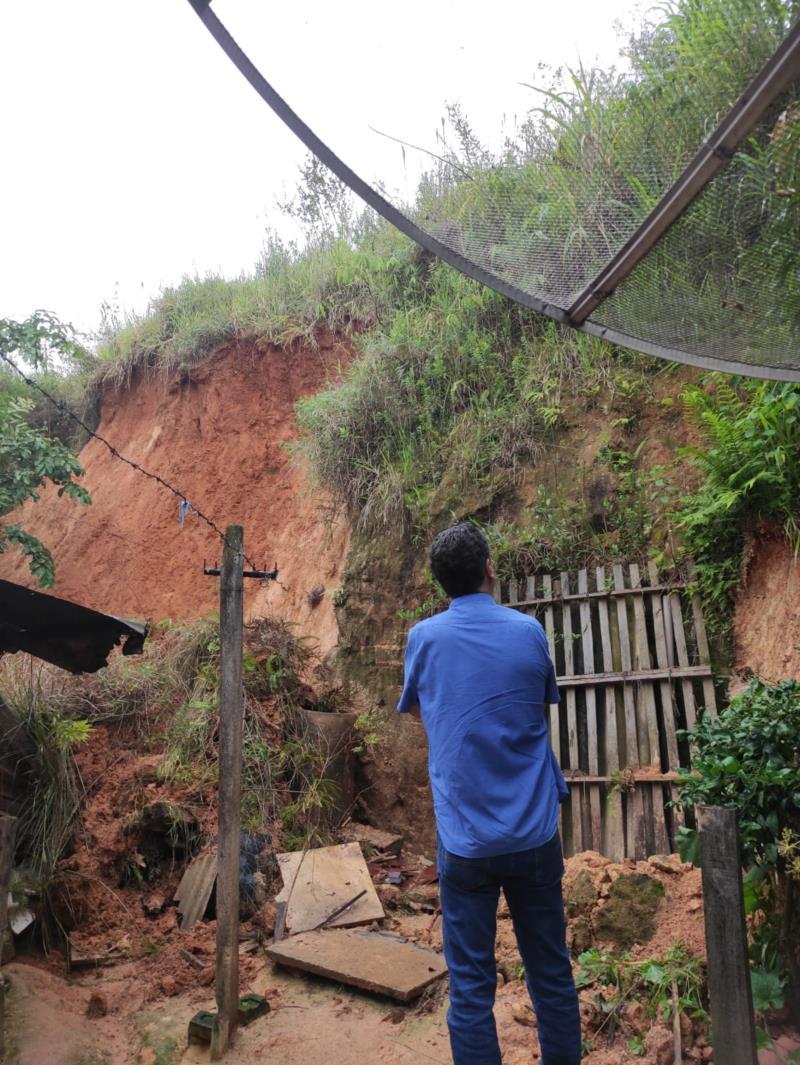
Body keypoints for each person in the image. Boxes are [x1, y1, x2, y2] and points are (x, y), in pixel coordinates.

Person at [398, 521, 581, 1065]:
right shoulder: (528, 633)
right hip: (533, 834)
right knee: (551, 972)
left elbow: (414, 709)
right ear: (489, 570)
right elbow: (540, 699)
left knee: (472, 987)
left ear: (440, 585)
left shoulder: (424, 638)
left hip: (466, 843)